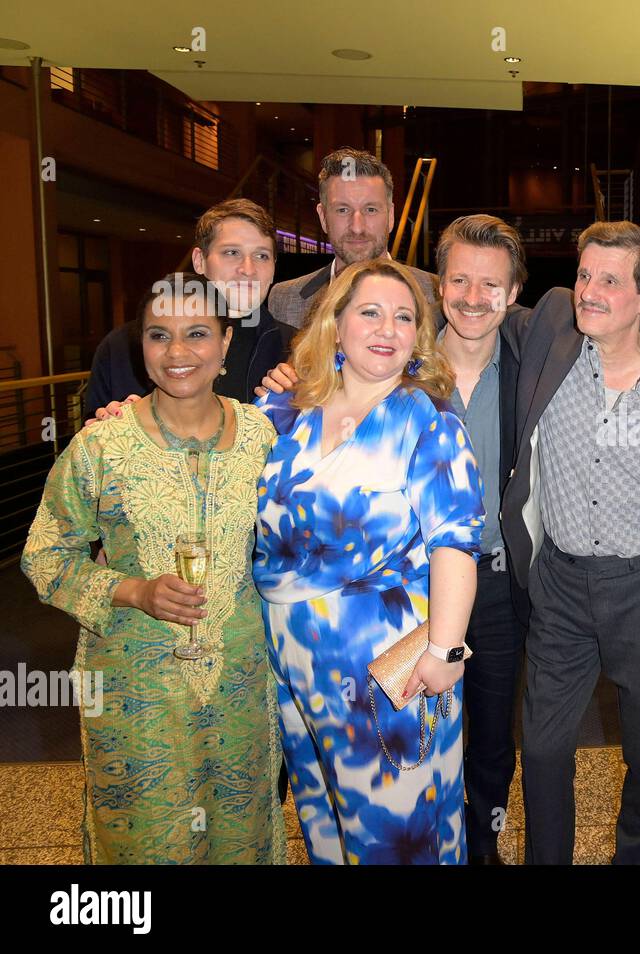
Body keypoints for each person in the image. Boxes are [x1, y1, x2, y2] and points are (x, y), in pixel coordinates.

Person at [257, 215, 531, 864]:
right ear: (336, 325)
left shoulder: (427, 423)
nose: (387, 329)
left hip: (386, 670)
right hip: (289, 662)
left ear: (418, 337)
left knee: (395, 834)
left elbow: (454, 545)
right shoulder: (280, 413)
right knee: (321, 820)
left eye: (404, 317)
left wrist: (444, 650)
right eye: (370, 312)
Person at [23, 273, 283, 864]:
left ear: (224, 345)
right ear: (141, 348)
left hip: (241, 683)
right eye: (158, 335)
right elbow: (44, 556)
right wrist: (134, 590)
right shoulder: (101, 446)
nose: (177, 352)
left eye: (197, 334)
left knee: (240, 838)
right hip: (137, 692)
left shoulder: (264, 438)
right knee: (145, 843)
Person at [499, 222, 640, 865]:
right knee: (547, 747)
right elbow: (467, 300)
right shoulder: (551, 334)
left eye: (609, 281)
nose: (588, 291)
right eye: (584, 275)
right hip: (558, 581)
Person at [86, 199, 292, 411]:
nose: (248, 269)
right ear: (199, 260)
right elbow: (92, 431)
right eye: (232, 252)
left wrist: (301, 411)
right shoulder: (123, 346)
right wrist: (111, 428)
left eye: (262, 255)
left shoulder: (298, 350)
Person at [268, 148, 438, 329]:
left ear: (390, 216)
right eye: (342, 210)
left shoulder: (436, 294)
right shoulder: (283, 300)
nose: (357, 228)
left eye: (370, 209)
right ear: (323, 217)